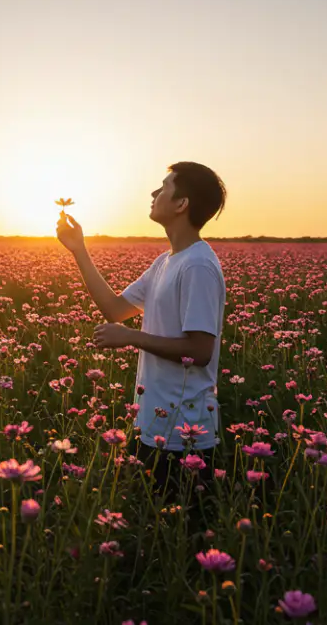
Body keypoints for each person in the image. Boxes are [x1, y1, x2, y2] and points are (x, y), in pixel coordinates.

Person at [56, 161, 228, 503]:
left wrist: (131, 337)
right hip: (154, 423)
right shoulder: (167, 261)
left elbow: (200, 349)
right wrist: (79, 250)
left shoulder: (197, 266)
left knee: (179, 533)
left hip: (185, 433)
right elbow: (116, 309)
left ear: (181, 204)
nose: (154, 193)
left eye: (164, 187)